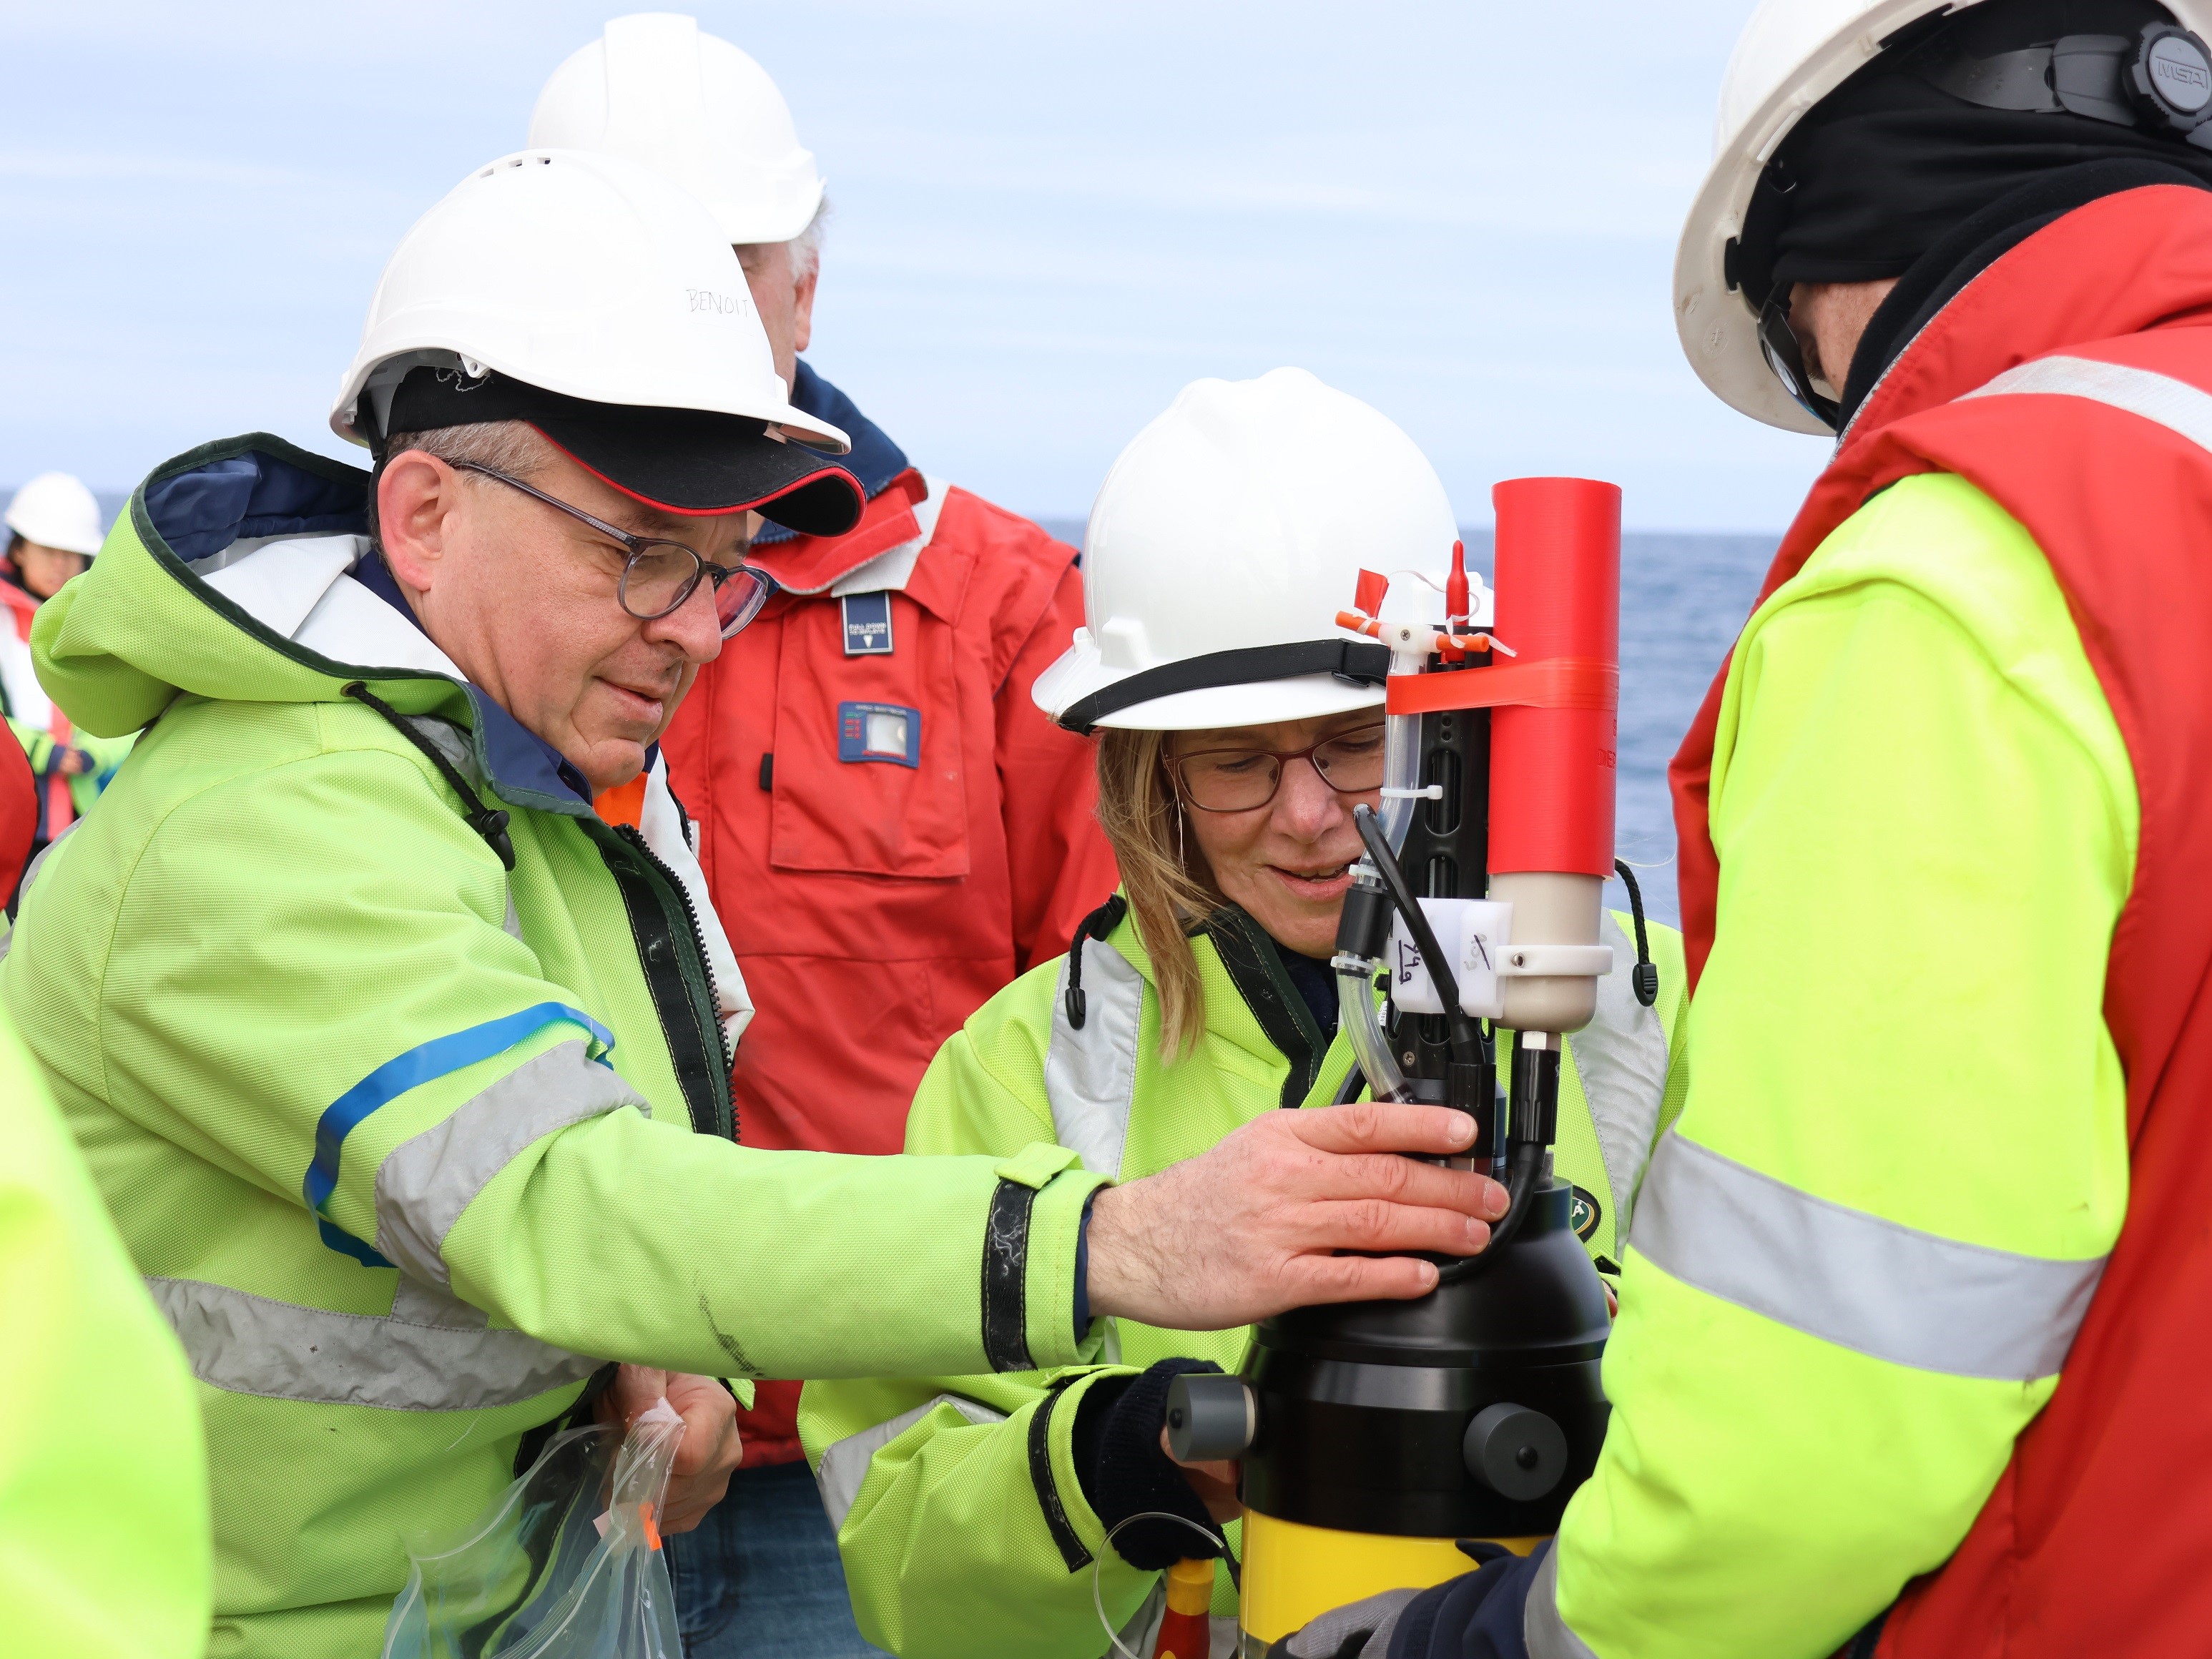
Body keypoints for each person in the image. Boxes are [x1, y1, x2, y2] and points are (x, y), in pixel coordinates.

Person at [0, 149, 1508, 1659]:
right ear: (426, 511)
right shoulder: (264, 821)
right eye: (644, 554)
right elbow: (574, 1202)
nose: (700, 632)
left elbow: (505, 1222)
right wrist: (1115, 1242)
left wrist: (613, 1366)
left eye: (720, 572)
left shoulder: (518, 797)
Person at [1273, 1, 2212, 1655]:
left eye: (1794, 352)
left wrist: (1505, 1638)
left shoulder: (1975, 571)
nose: (1834, 402)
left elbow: (1831, 1387)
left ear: (1834, 227)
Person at [799, 369, 1691, 1659]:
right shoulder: (1018, 1070)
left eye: (1349, 742)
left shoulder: (1629, 1009)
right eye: (1235, 761)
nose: (1310, 815)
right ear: (1148, 777)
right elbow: (893, 1537)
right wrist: (1102, 1463)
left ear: (1450, 724)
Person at [528, 19, 1121, 1652]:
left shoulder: (1002, 612)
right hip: (531, 1432)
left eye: (730, 273)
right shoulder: (452, 622)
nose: (693, 325)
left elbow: (1115, 1038)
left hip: (879, 1431)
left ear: (807, 284)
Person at [1, 473, 132, 855]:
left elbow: (127, 708)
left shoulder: (103, 624)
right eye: (48, 549)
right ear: (20, 549)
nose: (61, 564)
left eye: (71, 552)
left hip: (81, 820)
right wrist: (42, 752)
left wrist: (95, 753)